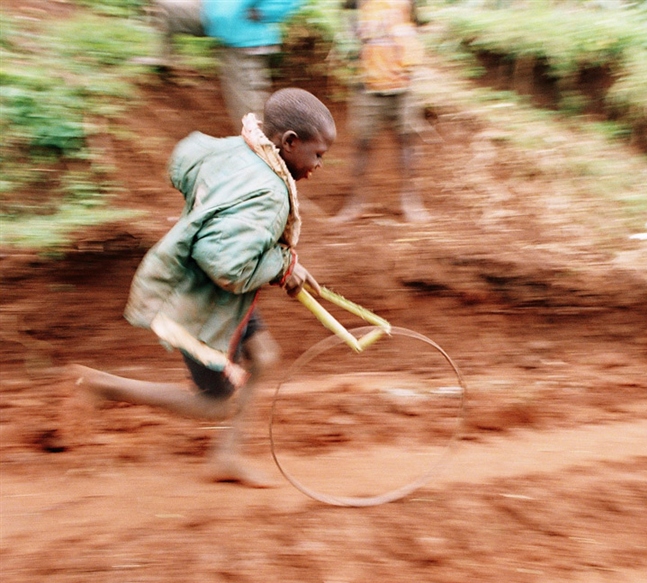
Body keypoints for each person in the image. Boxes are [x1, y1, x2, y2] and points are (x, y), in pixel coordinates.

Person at [64, 88, 336, 488]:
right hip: (198, 298)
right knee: (213, 404)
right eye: (318, 155)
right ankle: (99, 386)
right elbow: (227, 266)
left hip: (207, 284)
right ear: (289, 142)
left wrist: (279, 259)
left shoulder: (240, 149)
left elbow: (188, 156)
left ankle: (226, 457)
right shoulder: (271, 193)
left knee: (262, 356)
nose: (319, 165)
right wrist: (281, 267)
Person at [330, 0, 430, 223]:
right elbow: (346, 18)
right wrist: (351, 42)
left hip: (403, 80)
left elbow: (418, 24)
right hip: (367, 81)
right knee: (362, 143)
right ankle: (356, 201)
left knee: (407, 141)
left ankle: (410, 199)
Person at [145, 0, 306, 130]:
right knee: (165, 8)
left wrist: (266, 12)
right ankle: (164, 62)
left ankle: (264, 158)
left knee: (250, 116)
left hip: (245, 39)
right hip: (210, 12)